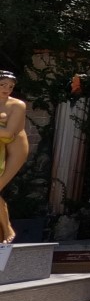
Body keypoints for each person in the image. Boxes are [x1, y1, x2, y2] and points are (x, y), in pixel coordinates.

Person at [0, 71, 30, 243]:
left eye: (11, 86)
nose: (7, 89)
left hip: (15, 149)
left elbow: (9, 133)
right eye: (2, 85)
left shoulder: (17, 105)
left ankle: (7, 229)